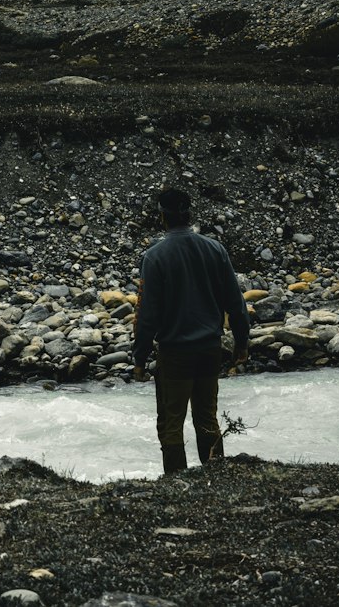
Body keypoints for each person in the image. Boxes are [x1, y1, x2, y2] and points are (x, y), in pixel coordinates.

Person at [132, 186, 250, 474]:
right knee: (207, 417)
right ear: (189, 214)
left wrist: (139, 357)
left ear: (162, 217)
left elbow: (148, 315)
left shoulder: (154, 257)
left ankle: (177, 482)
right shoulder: (215, 249)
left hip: (175, 353)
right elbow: (235, 303)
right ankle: (216, 475)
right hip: (210, 349)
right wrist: (242, 344)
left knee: (171, 423)